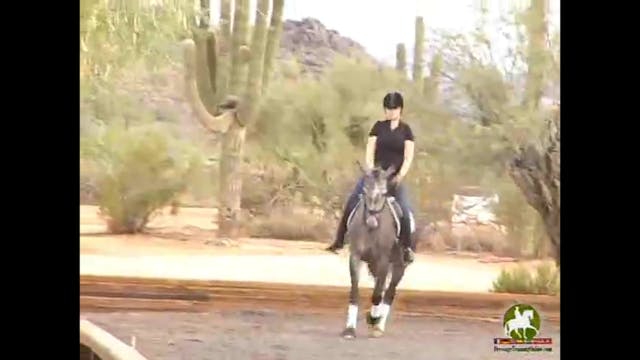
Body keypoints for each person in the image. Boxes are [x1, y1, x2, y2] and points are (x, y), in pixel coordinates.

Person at [326, 91, 416, 264]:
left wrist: (400, 175)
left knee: (404, 209)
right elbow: (370, 150)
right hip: (374, 175)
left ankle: (406, 248)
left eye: (394, 109)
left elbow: (408, 157)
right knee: (352, 201)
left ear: (400, 109)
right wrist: (370, 169)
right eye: (387, 109)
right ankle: (339, 240)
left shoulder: (406, 131)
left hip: (393, 177)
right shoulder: (378, 127)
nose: (390, 112)